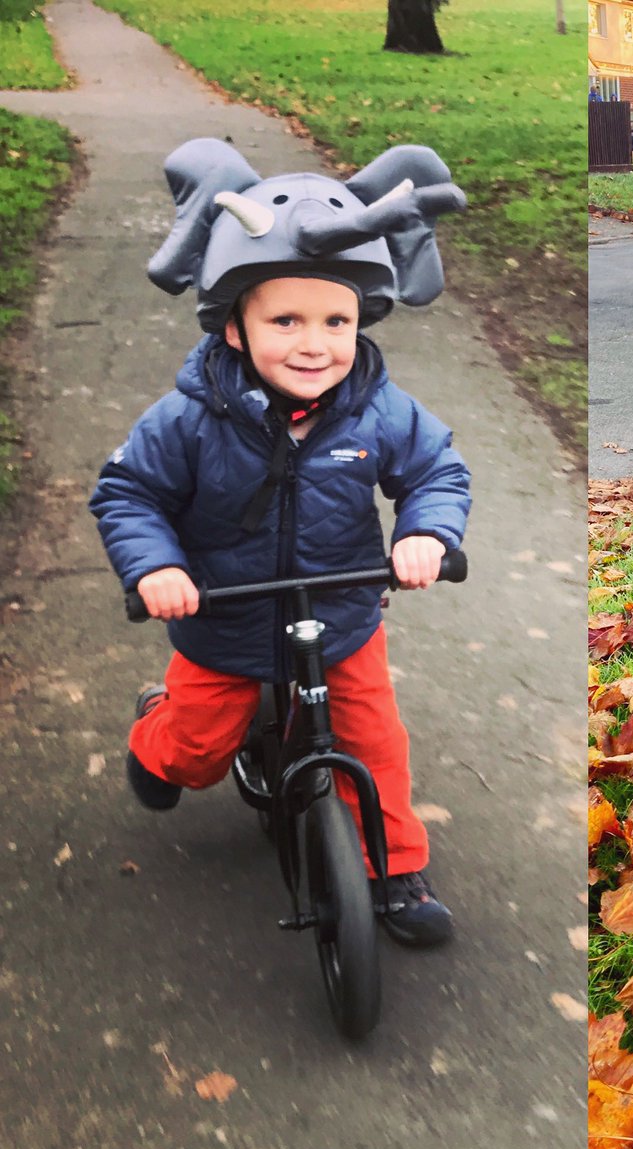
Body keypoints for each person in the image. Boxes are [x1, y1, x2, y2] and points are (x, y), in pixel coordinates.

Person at [90, 138, 471, 946]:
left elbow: (437, 467)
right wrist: (155, 564)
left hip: (339, 614)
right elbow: (130, 491)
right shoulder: (191, 417)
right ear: (235, 328)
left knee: (375, 740)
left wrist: (426, 533)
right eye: (285, 320)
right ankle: (155, 739)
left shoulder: (374, 407)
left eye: (336, 320)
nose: (314, 343)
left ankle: (394, 869)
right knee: (197, 750)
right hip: (223, 621)